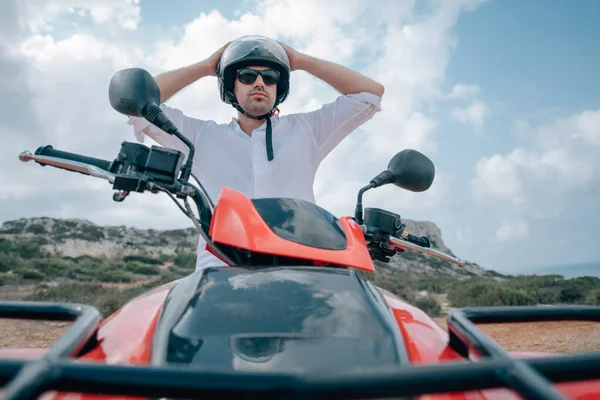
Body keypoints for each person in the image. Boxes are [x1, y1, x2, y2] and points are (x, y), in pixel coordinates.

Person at [127, 35, 385, 271]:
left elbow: (370, 94)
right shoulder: (200, 136)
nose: (260, 83)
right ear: (230, 86)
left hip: (299, 269)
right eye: (247, 76)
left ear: (278, 87)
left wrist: (300, 61)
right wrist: (206, 67)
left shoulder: (307, 131)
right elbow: (136, 100)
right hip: (220, 271)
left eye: (271, 77)